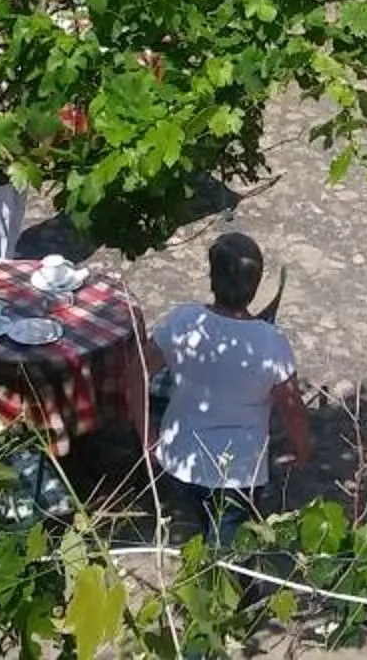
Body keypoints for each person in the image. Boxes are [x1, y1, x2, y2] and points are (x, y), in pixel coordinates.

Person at [148, 231, 306, 543]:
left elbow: (135, 371)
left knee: (196, 528)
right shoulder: (271, 342)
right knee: (230, 558)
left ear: (212, 278)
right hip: (238, 472)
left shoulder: (184, 321)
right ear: (256, 285)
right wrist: (302, 448)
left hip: (179, 455)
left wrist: (146, 436)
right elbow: (293, 410)